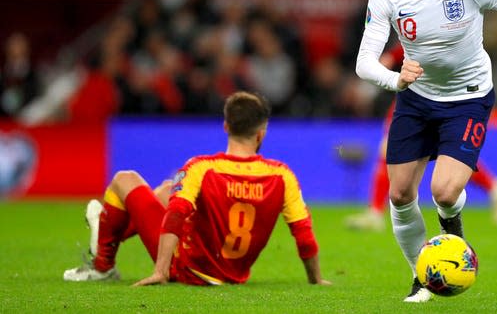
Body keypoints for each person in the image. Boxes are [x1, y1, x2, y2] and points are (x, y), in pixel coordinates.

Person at [355, 0, 497, 303]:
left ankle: (453, 235)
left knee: (445, 192)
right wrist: (395, 79)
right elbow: (365, 63)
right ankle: (422, 278)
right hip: (415, 99)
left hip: (468, 98)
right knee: (399, 195)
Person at [63, 91, 330, 286]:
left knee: (125, 178)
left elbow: (177, 214)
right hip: (233, 274)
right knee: (166, 191)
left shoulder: (202, 167)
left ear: (226, 126)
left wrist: (161, 270)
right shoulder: (282, 175)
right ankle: (105, 234)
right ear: (261, 133)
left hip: (188, 269)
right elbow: (303, 233)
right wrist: (315, 279)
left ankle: (103, 264)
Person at [345, 46, 497, 232]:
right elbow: (396, 53)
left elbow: (395, 56)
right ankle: (375, 212)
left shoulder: (435, 32)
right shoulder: (413, 27)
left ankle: (493, 186)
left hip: (439, 97)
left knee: (448, 154)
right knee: (390, 147)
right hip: (413, 97)